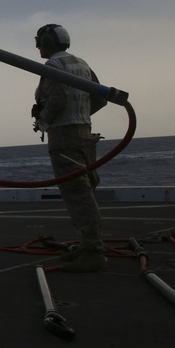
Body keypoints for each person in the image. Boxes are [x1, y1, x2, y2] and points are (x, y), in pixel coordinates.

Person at [32, 23, 108, 273]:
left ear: (46, 42)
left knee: (77, 194)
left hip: (64, 136)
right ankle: (88, 245)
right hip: (85, 133)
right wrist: (82, 115)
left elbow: (58, 99)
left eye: (39, 41)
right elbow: (99, 97)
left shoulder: (54, 66)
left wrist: (43, 120)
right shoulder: (81, 64)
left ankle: (94, 251)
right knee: (86, 191)